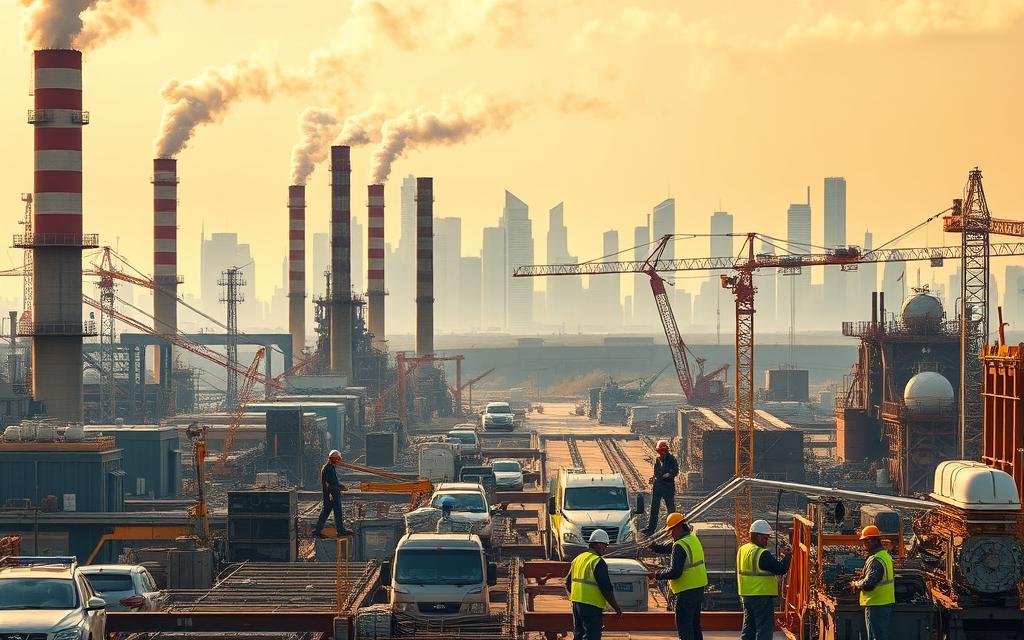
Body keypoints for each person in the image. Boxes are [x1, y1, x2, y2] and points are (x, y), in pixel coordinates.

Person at [648, 512, 707, 640]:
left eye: (671, 530)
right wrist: (655, 547)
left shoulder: (680, 545)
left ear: (678, 527)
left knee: (685, 629)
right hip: (698, 589)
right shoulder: (692, 539)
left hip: (686, 592)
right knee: (695, 627)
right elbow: (670, 547)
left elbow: (675, 572)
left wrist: (656, 575)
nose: (670, 534)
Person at [737, 519, 791, 640]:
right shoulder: (761, 553)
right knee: (764, 630)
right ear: (756, 535)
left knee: (748, 629)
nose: (766, 542)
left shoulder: (743, 549)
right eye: (765, 538)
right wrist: (787, 557)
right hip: (761, 596)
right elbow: (780, 569)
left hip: (746, 595)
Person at [565, 529, 623, 640]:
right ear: (597, 544)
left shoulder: (578, 559)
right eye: (605, 546)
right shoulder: (597, 561)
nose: (605, 549)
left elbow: (567, 583)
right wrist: (616, 608)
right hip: (592, 606)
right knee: (592, 636)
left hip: (577, 604)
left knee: (579, 634)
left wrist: (576, 597)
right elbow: (606, 588)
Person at [849, 525, 895, 640]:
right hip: (884, 602)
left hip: (876, 604)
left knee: (875, 637)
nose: (864, 545)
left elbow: (869, 583)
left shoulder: (876, 559)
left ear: (871, 541)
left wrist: (855, 584)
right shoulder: (885, 556)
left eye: (865, 542)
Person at [643, 440, 679, 536]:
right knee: (654, 508)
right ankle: (651, 529)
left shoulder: (672, 459)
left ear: (666, 450)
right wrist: (656, 477)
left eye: (663, 451)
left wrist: (670, 474)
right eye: (660, 451)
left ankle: (672, 527)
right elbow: (657, 473)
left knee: (671, 508)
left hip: (668, 487)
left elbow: (675, 471)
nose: (661, 453)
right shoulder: (657, 460)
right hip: (658, 486)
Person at [314, 450, 352, 537]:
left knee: (325, 512)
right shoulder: (328, 468)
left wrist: (341, 486)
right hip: (332, 495)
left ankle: (317, 530)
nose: (339, 461)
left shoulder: (329, 467)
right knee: (338, 512)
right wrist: (333, 492)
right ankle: (340, 531)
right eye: (338, 459)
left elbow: (333, 482)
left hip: (330, 494)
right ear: (334, 459)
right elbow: (328, 483)